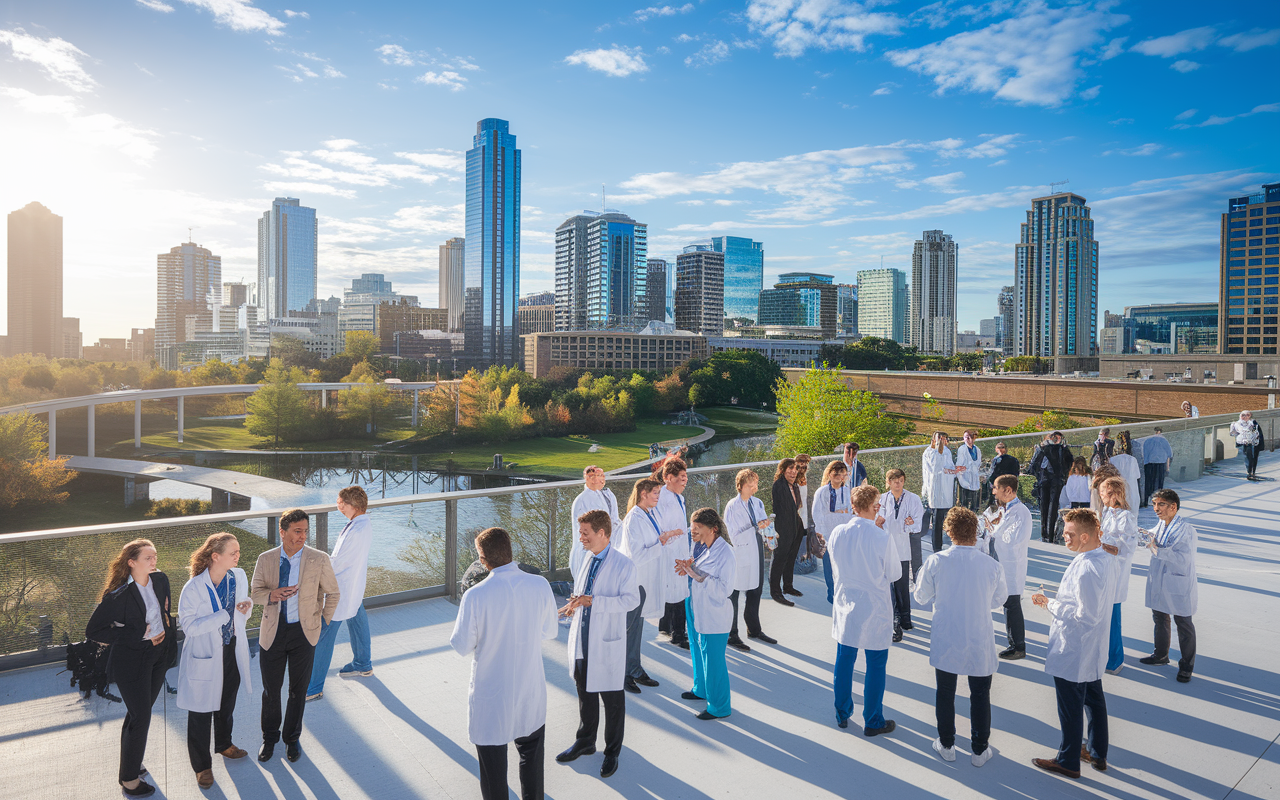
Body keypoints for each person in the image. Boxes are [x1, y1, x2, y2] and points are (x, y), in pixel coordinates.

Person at [451, 527, 559, 800]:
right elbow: (550, 632)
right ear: (510, 551)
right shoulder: (539, 585)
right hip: (529, 690)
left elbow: (461, 645)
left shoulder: (475, 596)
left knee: (493, 773)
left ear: (483, 559)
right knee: (532, 762)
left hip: (492, 696)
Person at [1030, 509, 1120, 779]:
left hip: (1075, 647)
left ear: (1084, 536)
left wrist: (1050, 603)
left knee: (1070, 706)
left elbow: (1085, 616)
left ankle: (1068, 760)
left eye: (1069, 534)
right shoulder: (1103, 558)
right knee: (1094, 700)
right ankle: (1096, 752)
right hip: (1092, 648)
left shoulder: (1087, 569)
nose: (1063, 538)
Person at [913, 507, 1007, 767]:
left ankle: (946, 744)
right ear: (975, 532)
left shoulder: (936, 561)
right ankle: (979, 749)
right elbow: (998, 600)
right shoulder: (991, 565)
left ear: (948, 531)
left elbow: (920, 597)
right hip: (979, 635)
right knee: (980, 694)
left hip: (947, 635)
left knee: (945, 691)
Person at [85, 539, 177, 797]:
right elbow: (93, 630)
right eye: (148, 557)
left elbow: (165, 612)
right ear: (131, 562)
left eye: (155, 556)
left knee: (140, 713)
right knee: (141, 717)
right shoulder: (118, 596)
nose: (154, 561)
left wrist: (166, 636)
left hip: (158, 655)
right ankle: (129, 780)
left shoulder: (160, 580)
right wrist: (135, 634)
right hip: (132, 660)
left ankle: (132, 763)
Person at [250, 509, 340, 764]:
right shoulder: (265, 559)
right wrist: (272, 595)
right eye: (297, 531)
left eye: (305, 531)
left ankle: (292, 739)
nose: (302, 537)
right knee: (271, 691)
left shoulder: (318, 559)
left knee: (297, 690)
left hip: (304, 633)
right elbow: (255, 593)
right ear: (283, 532)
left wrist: (322, 622)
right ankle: (269, 739)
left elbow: (333, 593)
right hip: (272, 633)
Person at [556, 510, 640, 779]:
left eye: (585, 533)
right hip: (583, 636)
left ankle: (611, 752)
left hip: (606, 641)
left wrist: (594, 602)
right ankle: (585, 741)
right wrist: (575, 603)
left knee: (613, 701)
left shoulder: (624, 565)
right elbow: (584, 592)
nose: (580, 538)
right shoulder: (587, 558)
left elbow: (631, 601)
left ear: (602, 533)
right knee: (584, 691)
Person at [176, 533, 253, 790]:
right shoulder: (194, 588)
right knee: (200, 710)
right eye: (233, 552)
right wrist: (222, 616)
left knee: (226, 701)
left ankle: (224, 744)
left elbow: (244, 605)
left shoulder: (238, 576)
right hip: (205, 655)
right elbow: (188, 626)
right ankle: (202, 767)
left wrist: (246, 606)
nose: (237, 556)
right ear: (215, 556)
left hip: (230, 648)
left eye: (238, 551)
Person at [829, 485, 901, 736]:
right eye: (877, 503)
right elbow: (894, 574)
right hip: (875, 608)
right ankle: (873, 720)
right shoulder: (882, 537)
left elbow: (835, 567)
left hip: (846, 603)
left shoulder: (837, 532)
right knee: (876, 665)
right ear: (873, 507)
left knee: (844, 659)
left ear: (853, 507)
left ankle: (842, 713)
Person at [307, 486, 374, 701]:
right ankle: (363, 664)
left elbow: (338, 562)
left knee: (324, 634)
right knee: (357, 617)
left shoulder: (355, 530)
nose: (338, 504)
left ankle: (313, 687)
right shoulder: (362, 524)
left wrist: (316, 574)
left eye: (340, 502)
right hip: (354, 585)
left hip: (342, 588)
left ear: (352, 506)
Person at [676, 507, 737, 721]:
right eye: (692, 528)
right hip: (696, 606)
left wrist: (697, 574)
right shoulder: (701, 546)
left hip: (714, 614)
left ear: (713, 529)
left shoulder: (726, 553)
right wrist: (689, 567)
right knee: (697, 650)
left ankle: (719, 706)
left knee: (714, 660)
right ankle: (701, 689)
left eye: (697, 528)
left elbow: (725, 589)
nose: (692, 532)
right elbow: (698, 568)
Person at [616, 477, 671, 694]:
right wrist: (661, 544)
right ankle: (623, 674)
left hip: (644, 581)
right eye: (655, 493)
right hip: (634, 581)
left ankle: (635, 669)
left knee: (636, 628)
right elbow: (636, 555)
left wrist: (663, 541)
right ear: (643, 494)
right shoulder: (634, 519)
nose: (658, 496)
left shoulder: (648, 514)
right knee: (628, 629)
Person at [1141, 489, 1198, 683]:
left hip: (1177, 581)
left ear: (1173, 507)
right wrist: (1146, 537)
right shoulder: (1161, 524)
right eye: (1154, 504)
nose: (1156, 509)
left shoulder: (1186, 530)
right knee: (1159, 616)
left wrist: (1157, 549)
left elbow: (1183, 559)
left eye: (1161, 504)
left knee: (1183, 622)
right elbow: (1155, 540)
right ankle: (1160, 655)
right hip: (1160, 579)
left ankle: (1186, 666)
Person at [724, 468, 775, 649]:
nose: (755, 488)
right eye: (751, 485)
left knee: (756, 590)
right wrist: (755, 527)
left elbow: (763, 525)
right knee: (735, 593)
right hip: (741, 551)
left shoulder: (757, 502)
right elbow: (734, 535)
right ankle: (732, 634)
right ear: (741, 486)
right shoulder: (732, 506)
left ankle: (754, 629)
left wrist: (770, 533)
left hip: (756, 549)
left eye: (756, 484)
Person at [876, 468, 922, 641]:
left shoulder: (913, 498)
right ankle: (895, 620)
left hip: (902, 548)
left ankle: (905, 619)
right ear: (888, 482)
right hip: (886, 547)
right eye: (894, 480)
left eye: (900, 480)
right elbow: (877, 520)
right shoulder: (881, 499)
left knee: (902, 585)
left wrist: (909, 524)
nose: (897, 483)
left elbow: (917, 524)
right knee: (889, 585)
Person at [989, 474, 1032, 660]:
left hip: (1012, 565)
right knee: (1008, 603)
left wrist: (994, 531)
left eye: (996, 488)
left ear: (1008, 490)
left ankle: (1018, 647)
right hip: (1003, 563)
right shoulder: (1005, 509)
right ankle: (1013, 643)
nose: (993, 492)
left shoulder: (1021, 512)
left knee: (1012, 604)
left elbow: (1011, 539)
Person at [1098, 477, 1138, 675]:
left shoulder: (1126, 517)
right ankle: (1105, 655)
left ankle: (1115, 660)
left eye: (1103, 493)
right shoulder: (1108, 513)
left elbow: (1126, 548)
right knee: (1104, 616)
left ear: (1113, 494)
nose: (1101, 497)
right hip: (1104, 569)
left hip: (1117, 572)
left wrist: (1100, 544)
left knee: (1113, 617)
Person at [656, 458, 693, 648]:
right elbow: (661, 530)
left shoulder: (679, 497)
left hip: (679, 550)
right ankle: (678, 635)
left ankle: (665, 627)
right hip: (669, 552)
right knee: (675, 593)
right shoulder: (661, 499)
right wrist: (674, 537)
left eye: (686, 477)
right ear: (669, 478)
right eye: (682, 477)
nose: (685, 481)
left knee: (677, 590)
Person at [570, 466, 623, 577]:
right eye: (598, 476)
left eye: (603, 475)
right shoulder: (582, 501)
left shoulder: (606, 495)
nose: (602, 479)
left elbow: (614, 521)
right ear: (588, 478)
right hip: (590, 552)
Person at [811, 461, 852, 607]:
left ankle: (845, 591)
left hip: (845, 534)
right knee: (829, 565)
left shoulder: (848, 492)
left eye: (843, 474)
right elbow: (818, 515)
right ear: (829, 474)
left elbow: (851, 513)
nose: (839, 477)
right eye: (836, 473)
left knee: (844, 564)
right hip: (828, 535)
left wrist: (836, 514)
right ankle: (832, 593)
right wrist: (838, 514)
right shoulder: (822, 492)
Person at [769, 457, 806, 606]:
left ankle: (788, 586)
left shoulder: (795, 486)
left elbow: (796, 507)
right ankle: (775, 592)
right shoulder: (779, 485)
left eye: (795, 469)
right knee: (780, 559)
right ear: (783, 470)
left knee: (791, 557)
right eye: (790, 469)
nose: (793, 472)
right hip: (783, 527)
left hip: (795, 525)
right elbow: (781, 509)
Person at [921, 432, 962, 555]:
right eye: (940, 438)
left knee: (948, 518)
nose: (942, 441)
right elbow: (935, 469)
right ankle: (936, 548)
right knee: (937, 521)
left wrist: (955, 470)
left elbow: (949, 467)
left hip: (947, 490)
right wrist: (949, 470)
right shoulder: (929, 452)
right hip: (936, 490)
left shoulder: (947, 452)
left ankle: (950, 543)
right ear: (933, 439)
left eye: (944, 439)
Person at [1030, 431, 1072, 542]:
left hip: (1056, 480)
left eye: (1058, 438)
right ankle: (1044, 534)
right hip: (1044, 480)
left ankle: (1050, 534)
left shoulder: (1062, 449)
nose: (1055, 440)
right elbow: (1034, 464)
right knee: (1043, 507)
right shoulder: (1043, 448)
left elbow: (1069, 461)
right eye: (1054, 438)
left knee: (1053, 507)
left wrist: (1063, 447)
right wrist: (1042, 447)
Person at [1141, 427, 1173, 507]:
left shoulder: (1147, 440)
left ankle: (1146, 501)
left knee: (1148, 483)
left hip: (1149, 464)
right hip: (1160, 463)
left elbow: (1144, 453)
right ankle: (1159, 501)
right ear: (1159, 432)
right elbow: (1169, 454)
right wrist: (1167, 467)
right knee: (1159, 483)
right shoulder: (1164, 441)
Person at [1110, 432, 1142, 510]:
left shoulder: (1112, 460)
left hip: (1118, 490)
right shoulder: (1132, 459)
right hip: (1131, 489)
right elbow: (1137, 475)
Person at [1230, 410, 1264, 479]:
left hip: (1254, 442)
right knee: (1248, 457)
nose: (1245, 417)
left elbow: (1258, 433)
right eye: (1243, 415)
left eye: (1248, 415)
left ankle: (1252, 472)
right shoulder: (1236, 424)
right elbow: (1232, 433)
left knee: (1253, 457)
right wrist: (1241, 437)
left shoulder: (1253, 423)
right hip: (1243, 443)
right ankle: (1249, 472)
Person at [955, 430, 983, 513]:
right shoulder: (962, 449)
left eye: (968, 437)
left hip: (974, 479)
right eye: (965, 437)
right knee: (964, 505)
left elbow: (978, 464)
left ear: (973, 438)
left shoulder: (977, 450)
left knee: (975, 505)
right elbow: (959, 465)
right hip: (964, 479)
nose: (967, 439)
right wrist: (962, 479)